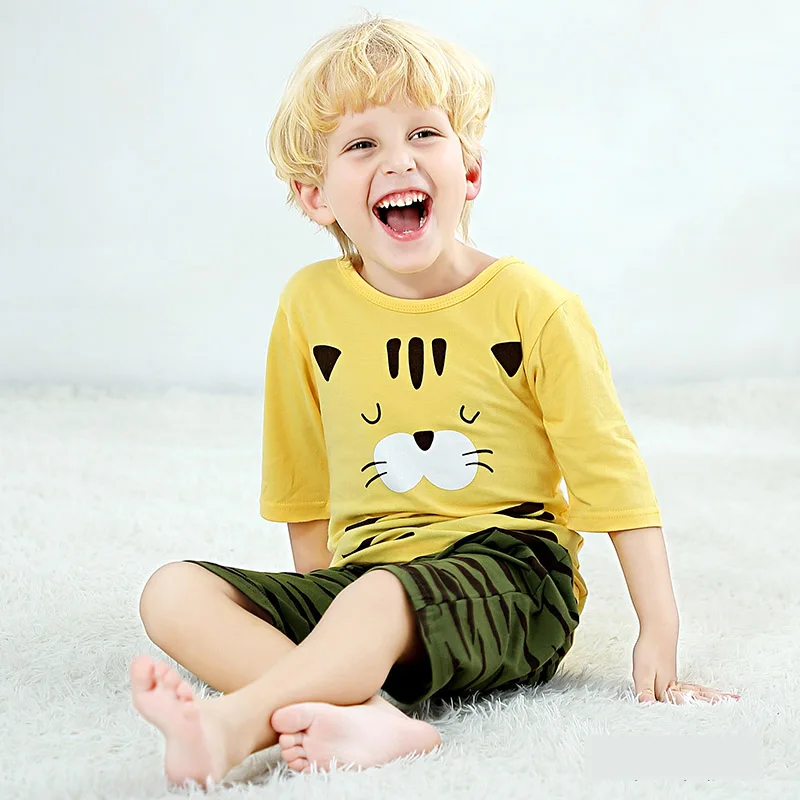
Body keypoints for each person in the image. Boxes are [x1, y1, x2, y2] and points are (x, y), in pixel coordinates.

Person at [129, 13, 740, 789]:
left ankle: (232, 727)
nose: (399, 160)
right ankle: (370, 713)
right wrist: (330, 621)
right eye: (362, 144)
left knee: (379, 596)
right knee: (173, 593)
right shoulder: (309, 305)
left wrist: (659, 626)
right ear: (315, 195)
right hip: (369, 581)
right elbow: (302, 481)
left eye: (424, 134)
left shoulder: (533, 306)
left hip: (515, 579)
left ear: (469, 171)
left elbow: (610, 473)